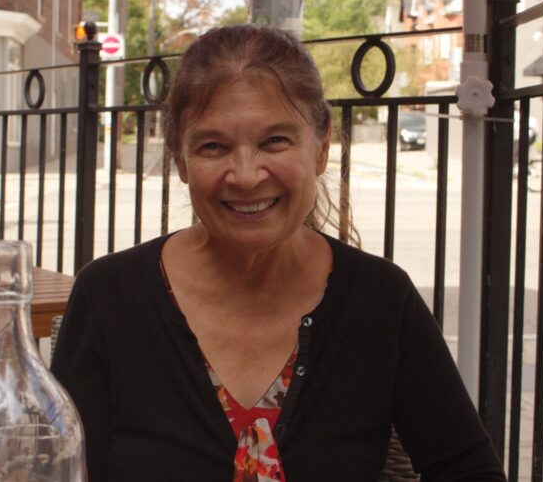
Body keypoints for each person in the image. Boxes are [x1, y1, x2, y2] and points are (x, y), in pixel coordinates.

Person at [51, 25, 506, 481]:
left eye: (275, 141)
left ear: (322, 148)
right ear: (180, 160)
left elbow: (468, 470)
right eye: (214, 146)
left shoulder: (380, 300)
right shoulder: (109, 297)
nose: (246, 175)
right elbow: (58, 471)